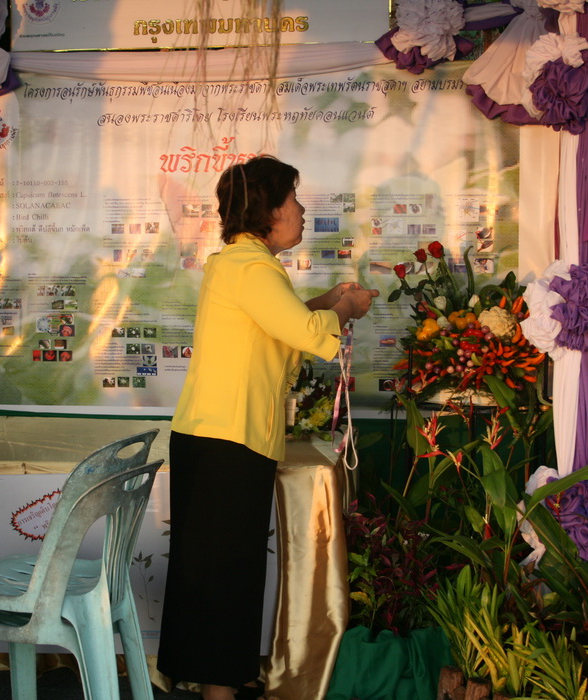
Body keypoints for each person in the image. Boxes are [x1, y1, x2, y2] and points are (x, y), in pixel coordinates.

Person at [157, 156, 378, 700]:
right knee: (224, 571)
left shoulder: (245, 265)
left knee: (223, 566)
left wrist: (330, 302)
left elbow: (282, 324)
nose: (301, 211)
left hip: (221, 438)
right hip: (225, 440)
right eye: (293, 200)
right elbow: (305, 331)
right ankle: (219, 692)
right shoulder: (249, 268)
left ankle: (225, 679)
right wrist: (347, 308)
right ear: (269, 210)